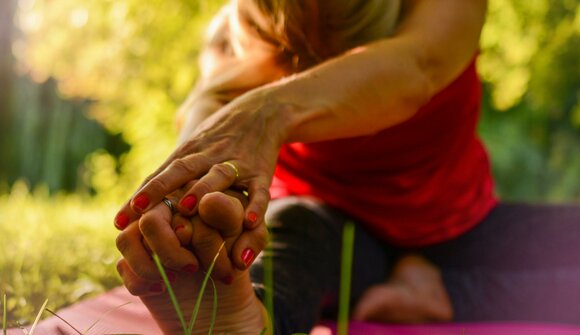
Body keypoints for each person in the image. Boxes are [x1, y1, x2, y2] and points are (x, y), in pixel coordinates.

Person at [113, 0, 580, 334]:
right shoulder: (235, 39)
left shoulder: (446, 12)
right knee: (293, 238)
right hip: (329, 224)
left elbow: (416, 69)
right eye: (300, 61)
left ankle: (443, 292)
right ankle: (243, 318)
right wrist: (187, 217)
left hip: (461, 227)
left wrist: (265, 110)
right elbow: (205, 123)